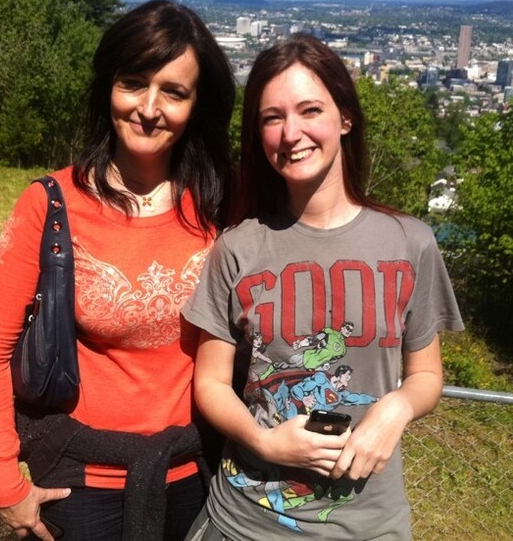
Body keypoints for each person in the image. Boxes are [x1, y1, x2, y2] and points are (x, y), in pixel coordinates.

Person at [0, 0, 235, 541]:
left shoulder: (225, 201)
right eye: (133, 83)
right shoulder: (51, 205)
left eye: (174, 92)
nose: (149, 108)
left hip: (204, 476)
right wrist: (3, 483)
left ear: (197, 105)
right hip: (81, 485)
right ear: (107, 87)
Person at [181, 33, 464, 540]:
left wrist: (395, 408)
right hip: (246, 520)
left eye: (310, 109)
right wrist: (265, 443)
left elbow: (425, 375)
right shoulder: (238, 247)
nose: (291, 133)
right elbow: (210, 384)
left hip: (368, 524)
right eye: (272, 117)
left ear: (345, 118)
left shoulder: (410, 242)